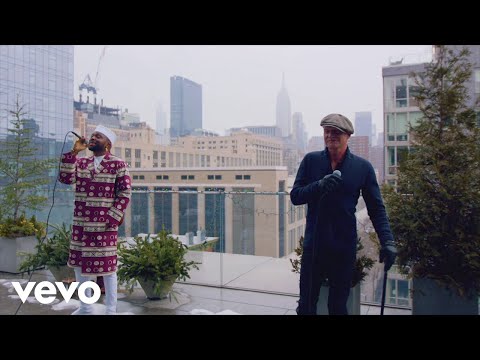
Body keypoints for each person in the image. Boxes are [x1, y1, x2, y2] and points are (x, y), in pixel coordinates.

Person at [290, 113, 397, 315]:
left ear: (348, 136)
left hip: (343, 248)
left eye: (336, 132)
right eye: (327, 131)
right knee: (306, 306)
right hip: (315, 246)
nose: (330, 135)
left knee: (338, 308)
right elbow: (295, 196)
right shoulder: (311, 161)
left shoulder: (362, 168)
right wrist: (319, 186)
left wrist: (388, 241)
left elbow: (376, 209)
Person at [59, 125, 131, 315]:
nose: (92, 138)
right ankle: (86, 308)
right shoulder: (81, 162)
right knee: (80, 267)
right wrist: (74, 151)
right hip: (81, 224)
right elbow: (65, 178)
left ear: (107, 143)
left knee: (108, 269)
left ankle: (110, 310)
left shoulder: (118, 164)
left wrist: (113, 217)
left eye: (97, 136)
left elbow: (124, 192)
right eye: (92, 136)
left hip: (104, 225)